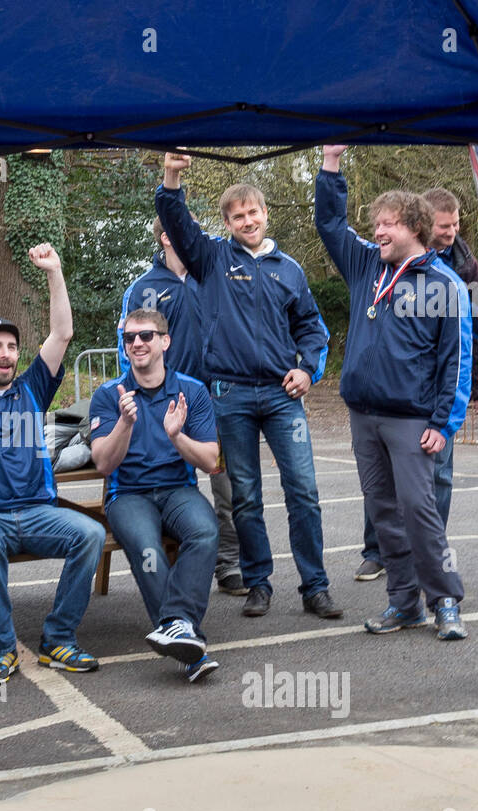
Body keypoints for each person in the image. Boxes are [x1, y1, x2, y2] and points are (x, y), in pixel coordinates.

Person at [157, 153, 341, 620]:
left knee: (303, 491)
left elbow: (313, 329)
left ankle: (315, 586)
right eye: (237, 216)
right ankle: (258, 583)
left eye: (253, 212)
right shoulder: (212, 258)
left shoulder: (289, 269)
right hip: (229, 395)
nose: (247, 221)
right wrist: (172, 176)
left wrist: (308, 369)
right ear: (227, 223)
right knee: (245, 496)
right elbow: (176, 222)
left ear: (265, 214)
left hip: (283, 397)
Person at [315, 144, 470, 640]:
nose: (377, 232)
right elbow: (331, 226)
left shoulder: (446, 286)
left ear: (415, 230)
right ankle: (404, 603)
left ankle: (445, 600)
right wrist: (331, 164)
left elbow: (457, 362)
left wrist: (444, 424)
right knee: (383, 513)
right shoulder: (366, 267)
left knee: (420, 511)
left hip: (413, 421)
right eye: (376, 224)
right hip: (364, 415)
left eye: (388, 224)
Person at [0, 244, 106, 685]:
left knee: (90, 533)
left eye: (11, 346)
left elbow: (62, 334)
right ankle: (1, 649)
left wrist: (54, 271)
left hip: (38, 512)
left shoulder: (34, 388)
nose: (5, 353)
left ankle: (58, 640)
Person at [356, 187, 478, 581]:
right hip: (396, 391)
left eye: (455, 224)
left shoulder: (470, 267)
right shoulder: (390, 262)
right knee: (381, 480)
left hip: (436, 394)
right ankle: (376, 550)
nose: (450, 232)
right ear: (421, 226)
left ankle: (431, 551)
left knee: (438, 477)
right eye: (443, 225)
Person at [91, 308, 222, 682]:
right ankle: (186, 639)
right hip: (127, 494)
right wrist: (124, 424)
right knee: (147, 550)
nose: (136, 343)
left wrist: (177, 436)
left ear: (164, 341)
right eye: (129, 338)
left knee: (205, 531)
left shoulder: (191, 391)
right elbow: (103, 464)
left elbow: (211, 460)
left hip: (177, 489)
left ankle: (175, 623)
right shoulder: (109, 394)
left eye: (146, 336)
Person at [121, 217, 244, 596]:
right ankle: (172, 567)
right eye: (185, 230)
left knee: (228, 488)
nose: (196, 237)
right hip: (167, 401)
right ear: (165, 236)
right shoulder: (143, 287)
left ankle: (230, 565)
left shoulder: (214, 276)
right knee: (167, 484)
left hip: (219, 399)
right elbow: (131, 350)